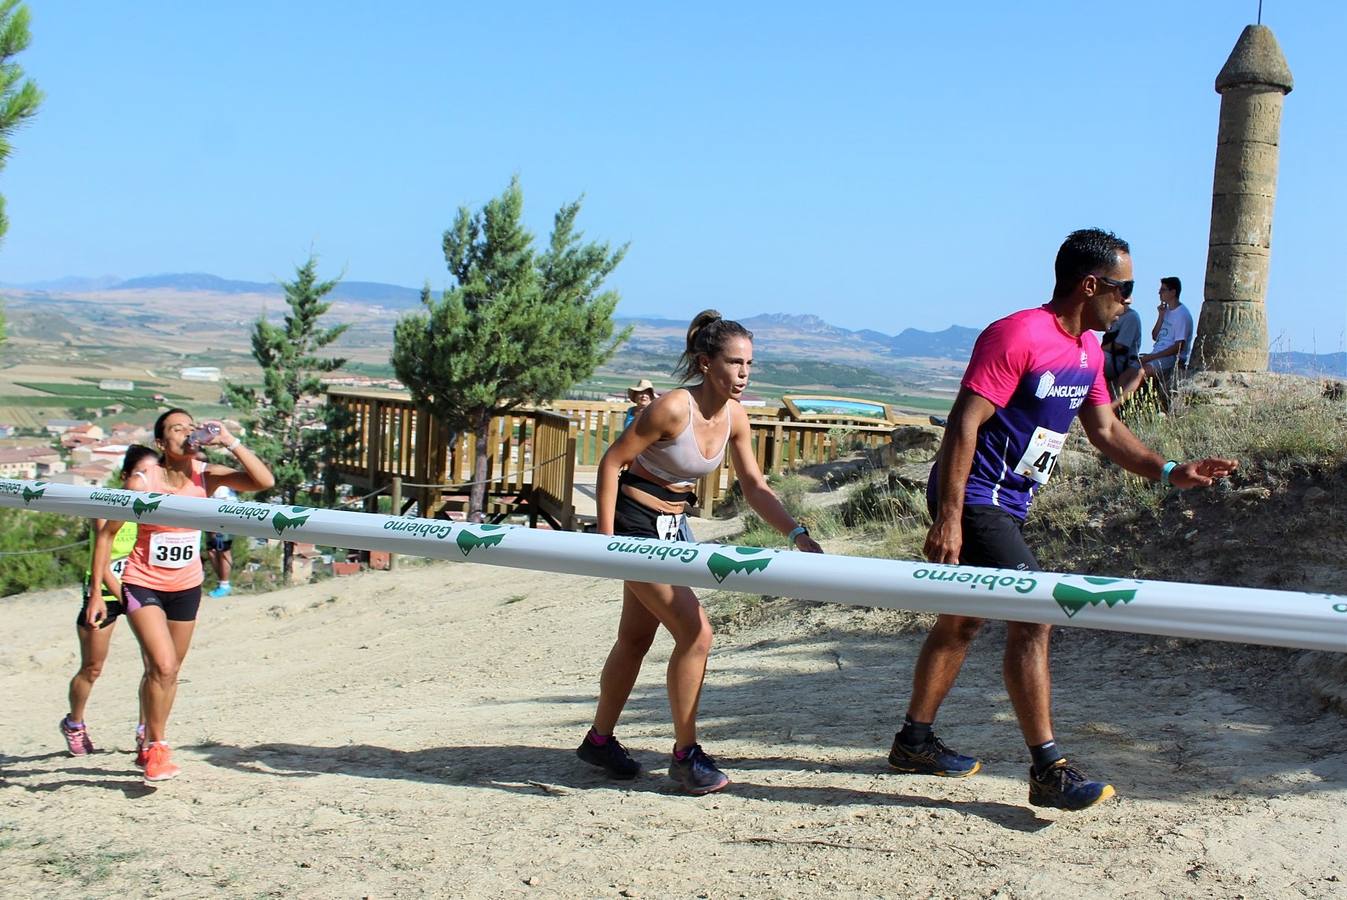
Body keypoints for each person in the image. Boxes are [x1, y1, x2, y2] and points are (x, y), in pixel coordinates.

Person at [889, 229, 1237, 811]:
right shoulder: (1019, 334)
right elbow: (963, 425)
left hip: (1008, 503)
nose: (1129, 302)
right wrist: (949, 517)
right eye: (1124, 289)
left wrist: (1170, 469)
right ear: (1091, 284)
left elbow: (1106, 432)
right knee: (1035, 615)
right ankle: (1048, 769)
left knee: (962, 623)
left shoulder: (1089, 352)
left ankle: (913, 741)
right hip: (977, 497)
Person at [578, 310, 823, 794]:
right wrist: (607, 542)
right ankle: (686, 754)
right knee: (697, 633)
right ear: (706, 363)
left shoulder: (735, 416)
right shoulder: (672, 408)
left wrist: (796, 533)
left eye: (749, 363)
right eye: (735, 363)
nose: (744, 373)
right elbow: (612, 462)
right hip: (636, 525)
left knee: (635, 638)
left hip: (674, 528)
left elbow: (754, 485)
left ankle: (599, 740)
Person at [88, 409, 274, 784]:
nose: (187, 434)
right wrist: (97, 593)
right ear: (161, 443)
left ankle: (147, 735)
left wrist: (231, 441)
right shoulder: (143, 483)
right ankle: (158, 747)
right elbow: (106, 535)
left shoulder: (204, 476)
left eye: (191, 427)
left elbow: (263, 480)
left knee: (166, 672)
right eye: (177, 429)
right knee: (164, 665)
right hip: (142, 582)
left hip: (186, 587)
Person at [60, 445, 160, 757]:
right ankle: (74, 723)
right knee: (92, 666)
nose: (148, 481)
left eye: (154, 474)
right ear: (126, 476)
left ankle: (147, 732)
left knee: (154, 664)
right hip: (105, 592)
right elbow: (100, 561)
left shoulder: (155, 505)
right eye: (142, 474)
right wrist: (122, 596)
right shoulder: (108, 504)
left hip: (139, 589)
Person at [1136, 276, 1193, 391]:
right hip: (1157, 354)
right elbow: (1154, 336)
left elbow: (1179, 346)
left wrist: (1151, 357)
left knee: (1140, 373)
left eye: (1163, 290)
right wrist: (1161, 316)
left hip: (1171, 358)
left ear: (1173, 292)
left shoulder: (1182, 314)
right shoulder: (1165, 311)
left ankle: (1117, 403)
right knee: (1128, 367)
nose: (1159, 293)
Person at [1100, 305, 1143, 404]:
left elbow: (1120, 345)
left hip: (1121, 361)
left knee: (1092, 359)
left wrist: (1097, 351)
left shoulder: (1131, 317)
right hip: (1110, 357)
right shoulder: (1115, 316)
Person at [206, 483, 237, 597]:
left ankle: (224, 585)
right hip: (210, 518)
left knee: (223, 551)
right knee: (212, 551)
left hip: (223, 519)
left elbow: (223, 503)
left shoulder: (221, 486)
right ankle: (222, 583)